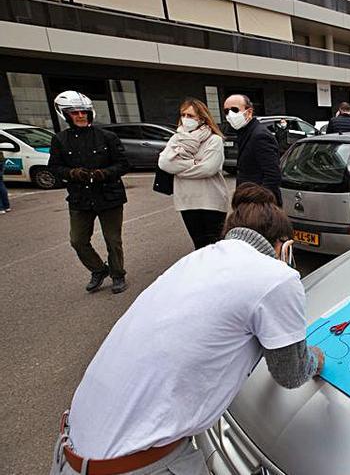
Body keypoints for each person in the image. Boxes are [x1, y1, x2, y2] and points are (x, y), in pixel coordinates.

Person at [50, 184, 324, 475]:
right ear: (284, 246)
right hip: (135, 465)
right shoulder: (277, 277)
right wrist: (317, 358)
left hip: (71, 448)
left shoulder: (197, 260)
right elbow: (291, 373)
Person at [48, 91, 130, 294]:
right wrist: (72, 173)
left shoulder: (107, 137)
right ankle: (99, 269)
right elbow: (54, 168)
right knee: (77, 240)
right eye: (75, 113)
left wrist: (105, 173)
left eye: (83, 112)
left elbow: (123, 164)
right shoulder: (60, 140)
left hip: (109, 195)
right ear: (66, 115)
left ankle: (118, 274)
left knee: (113, 239)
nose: (80, 116)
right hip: (80, 198)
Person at [158, 98, 229, 250]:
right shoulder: (176, 138)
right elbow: (164, 164)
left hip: (211, 201)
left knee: (215, 247)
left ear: (202, 118)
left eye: (190, 116)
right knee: (199, 246)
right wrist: (195, 163)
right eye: (183, 115)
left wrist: (179, 169)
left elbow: (209, 168)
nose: (185, 119)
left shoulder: (214, 140)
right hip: (187, 201)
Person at [224, 94, 283, 206]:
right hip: (247, 201)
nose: (230, 115)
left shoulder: (259, 135)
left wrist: (260, 203)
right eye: (226, 111)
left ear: (249, 112)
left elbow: (272, 175)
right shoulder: (244, 132)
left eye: (235, 110)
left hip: (259, 206)